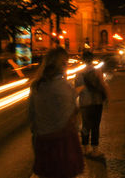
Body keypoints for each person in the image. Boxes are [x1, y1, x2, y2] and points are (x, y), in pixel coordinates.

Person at [29, 47, 84, 178]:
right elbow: (74, 119)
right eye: (65, 63)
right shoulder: (66, 87)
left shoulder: (36, 86)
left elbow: (32, 117)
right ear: (63, 65)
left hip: (43, 143)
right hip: (63, 144)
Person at [75, 50, 110, 157]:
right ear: (92, 59)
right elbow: (103, 85)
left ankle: (85, 148)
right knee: (95, 126)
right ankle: (95, 150)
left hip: (85, 103)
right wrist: (108, 97)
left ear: (83, 60)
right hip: (96, 102)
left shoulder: (79, 73)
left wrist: (74, 103)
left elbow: (77, 90)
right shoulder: (97, 71)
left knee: (85, 126)